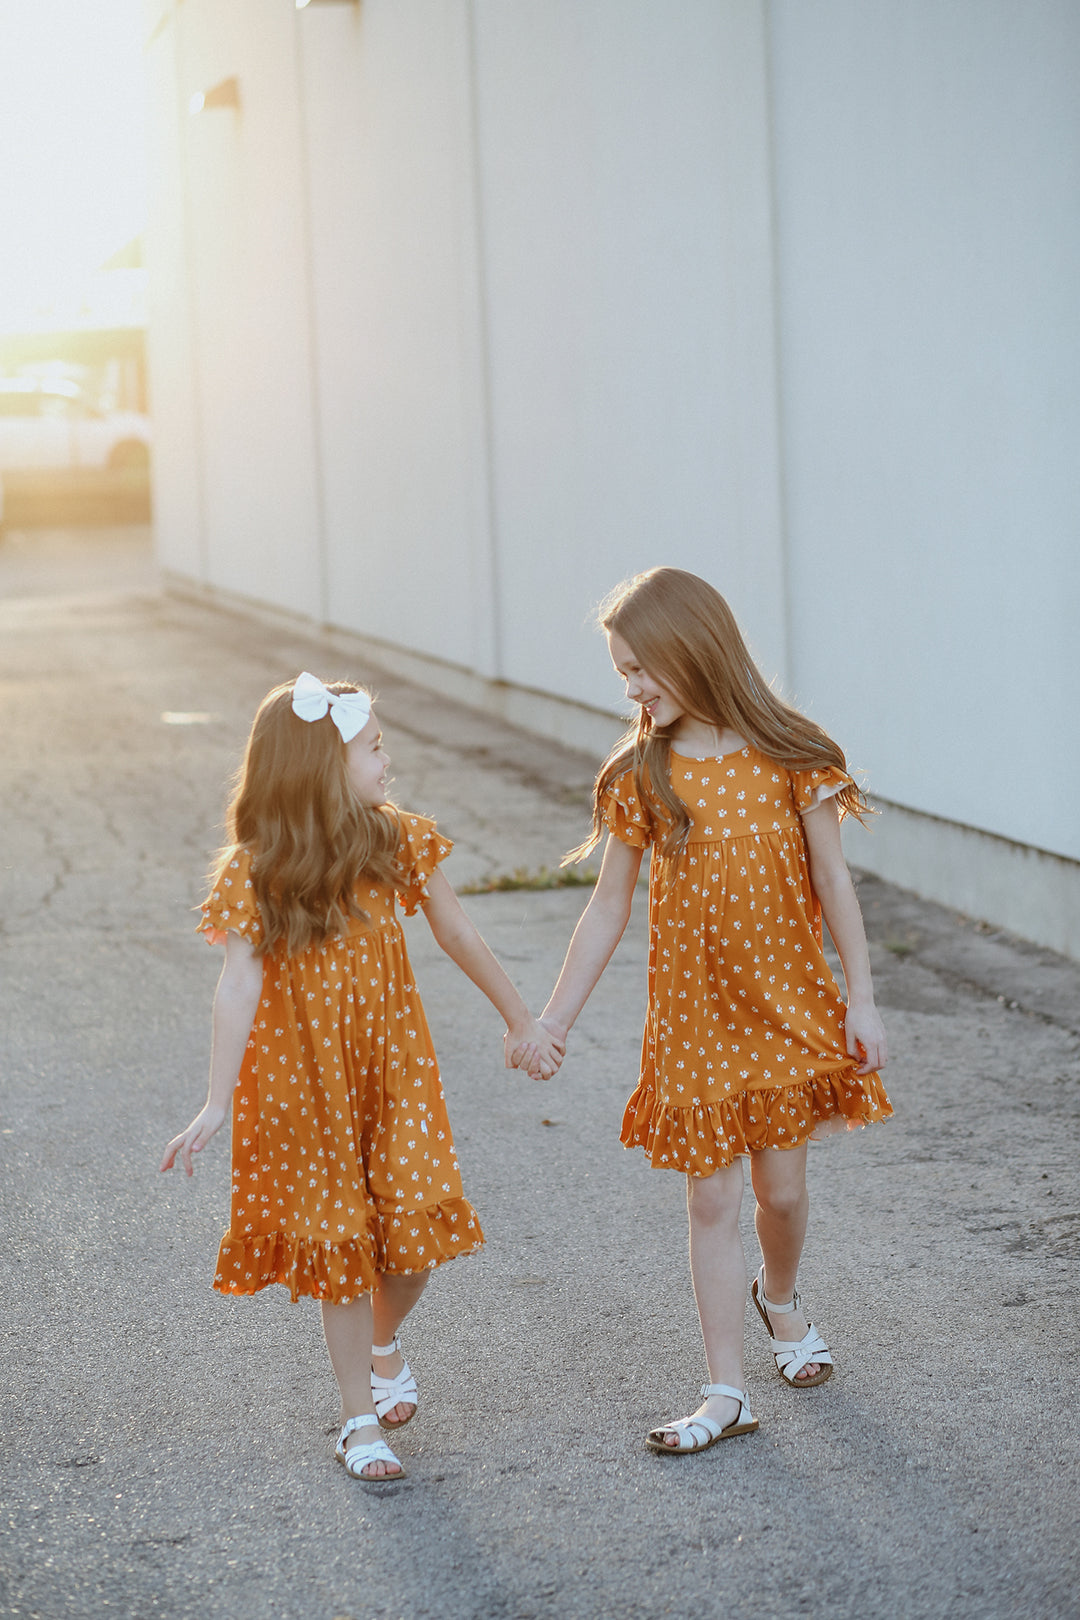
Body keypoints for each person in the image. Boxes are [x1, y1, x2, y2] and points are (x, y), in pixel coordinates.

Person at [162, 673, 562, 1483]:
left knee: (411, 1247)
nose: (387, 759)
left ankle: (384, 1344)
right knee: (342, 1247)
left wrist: (522, 1019)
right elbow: (237, 984)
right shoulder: (257, 870)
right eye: (372, 746)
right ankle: (357, 1421)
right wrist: (216, 1100)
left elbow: (455, 929)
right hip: (304, 1085)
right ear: (319, 763)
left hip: (394, 1075)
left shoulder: (397, 839)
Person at [539, 568, 891, 1455]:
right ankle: (725, 1389)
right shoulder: (641, 774)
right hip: (697, 1024)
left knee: (782, 1190)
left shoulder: (793, 756)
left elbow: (833, 880)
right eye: (623, 675)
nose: (631, 689)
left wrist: (864, 997)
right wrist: (554, 1020)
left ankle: (779, 1296)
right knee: (712, 1201)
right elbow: (607, 908)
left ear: (692, 651)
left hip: (788, 1012)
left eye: (640, 669)